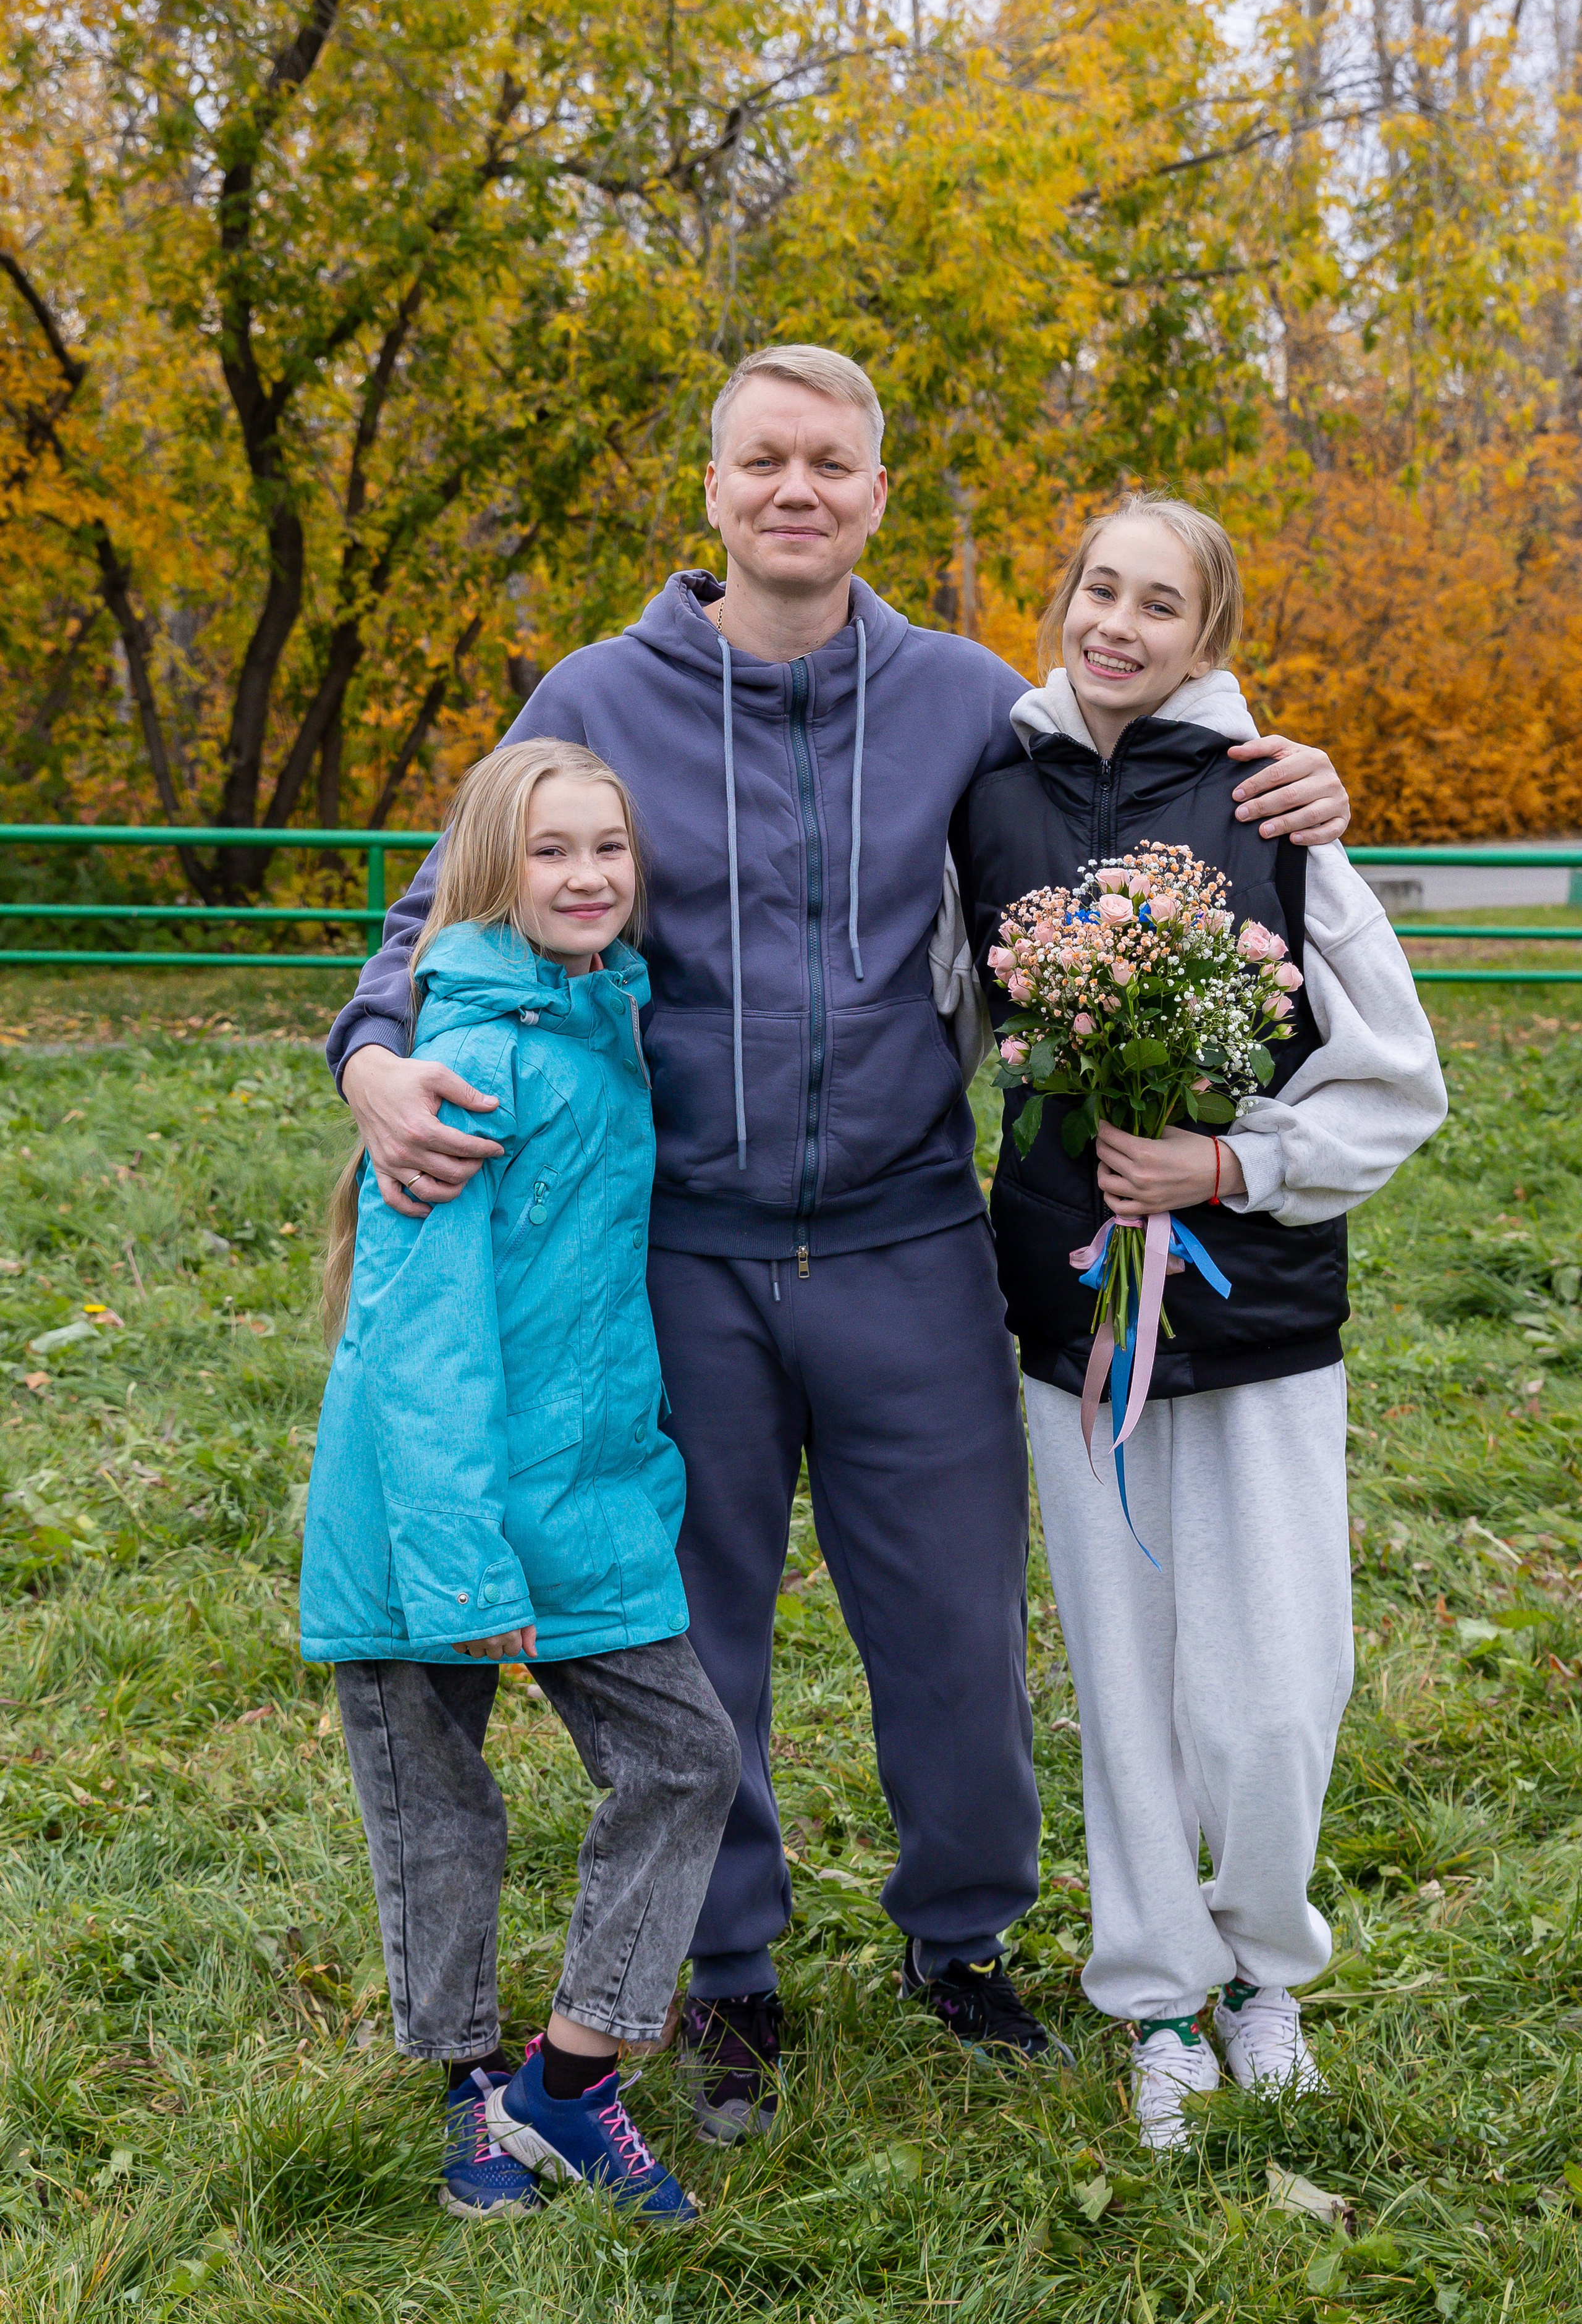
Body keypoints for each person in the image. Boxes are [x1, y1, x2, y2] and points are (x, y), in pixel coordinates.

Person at [325, 345, 1355, 2143]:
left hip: (907, 1242)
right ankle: (728, 1979)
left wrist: (1292, 774)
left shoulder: (967, 698)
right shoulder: (596, 691)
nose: (796, 491)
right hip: (682, 1261)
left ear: (877, 494)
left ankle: (964, 1944)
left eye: (832, 465)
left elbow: (1137, 752)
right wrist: (371, 1063)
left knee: (954, 1623)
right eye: (762, 462)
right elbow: (446, 898)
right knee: (690, 1629)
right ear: (713, 489)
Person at [960, 492, 1446, 2152]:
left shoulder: (1275, 805)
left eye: (1161, 604)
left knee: (1268, 1690)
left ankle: (1266, 1971)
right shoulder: (991, 794)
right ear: (1065, 595)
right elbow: (938, 1020)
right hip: (1071, 1318)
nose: (1119, 623)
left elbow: (1400, 1080)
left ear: (1208, 636)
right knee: (1122, 1677)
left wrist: (1233, 1160)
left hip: (1255, 1323)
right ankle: (1162, 1993)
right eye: (1099, 586)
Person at [300, 740, 740, 2223]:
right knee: (435, 1810)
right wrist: (460, 1570)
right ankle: (474, 2100)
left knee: (683, 1760)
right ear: (492, 868)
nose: (587, 877)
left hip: (579, 1495)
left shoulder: (600, 1020)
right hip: (433, 1513)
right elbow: (420, 1344)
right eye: (550, 851)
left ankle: (566, 2080)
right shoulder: (465, 1060)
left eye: (608, 849)